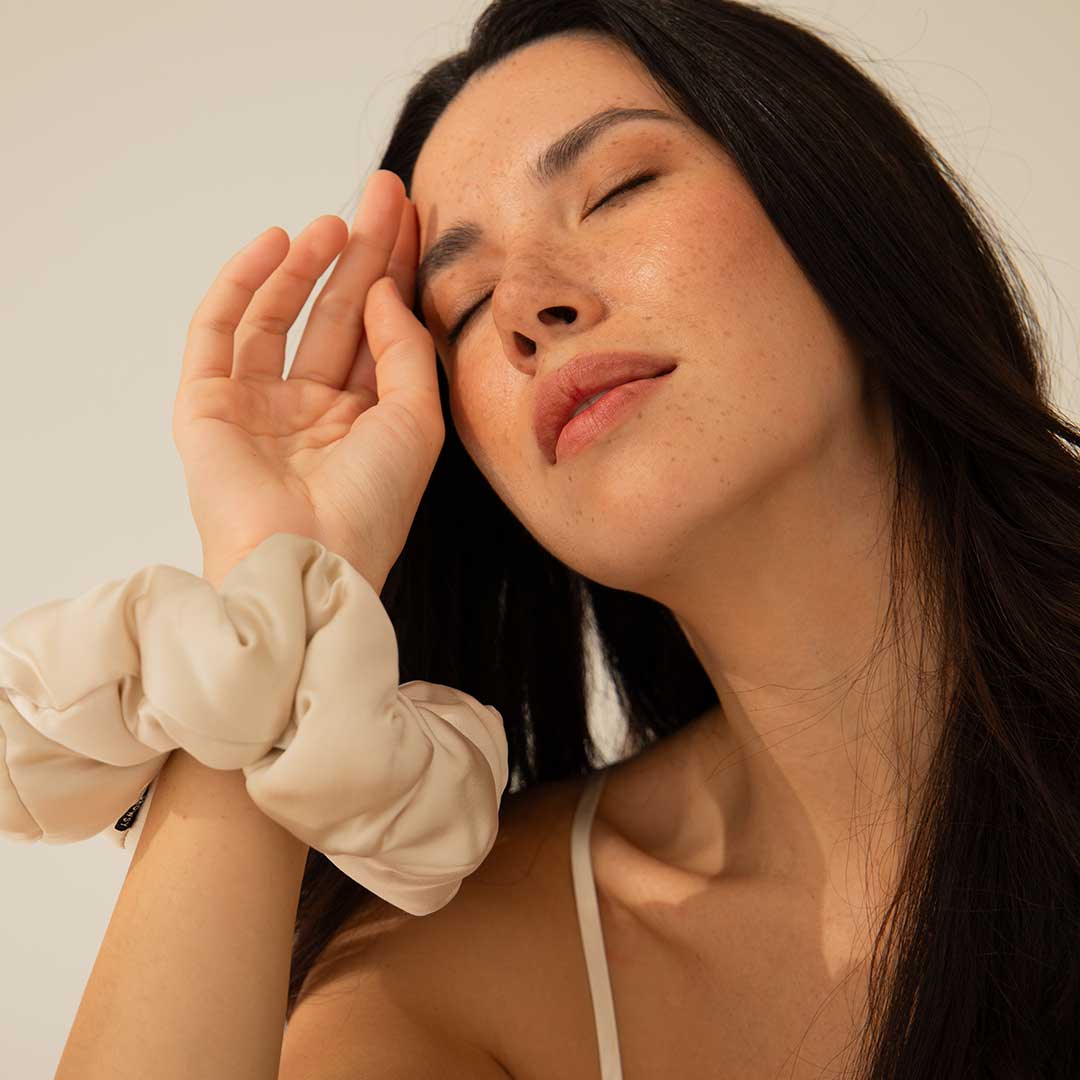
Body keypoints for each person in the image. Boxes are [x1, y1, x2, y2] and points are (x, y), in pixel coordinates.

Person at [5, 1, 1076, 1078]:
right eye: (465, 306)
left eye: (616, 191)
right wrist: (272, 598)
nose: (524, 309)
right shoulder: (470, 969)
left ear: (843, 201)